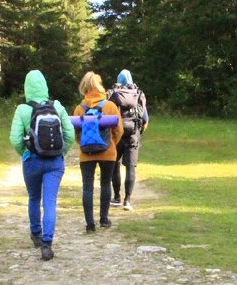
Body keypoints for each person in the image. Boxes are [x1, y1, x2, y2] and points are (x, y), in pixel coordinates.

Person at [9, 69, 75, 261]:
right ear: (45, 86)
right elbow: (69, 134)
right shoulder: (58, 107)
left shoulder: (22, 110)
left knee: (33, 198)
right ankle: (47, 244)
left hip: (32, 162)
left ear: (26, 88)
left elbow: (14, 139)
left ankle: (35, 234)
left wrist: (26, 153)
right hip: (54, 162)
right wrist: (60, 153)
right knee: (50, 202)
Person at [72, 71, 125, 231]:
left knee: (87, 187)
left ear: (84, 88)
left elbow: (75, 133)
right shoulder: (110, 106)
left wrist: (83, 143)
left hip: (86, 154)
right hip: (108, 152)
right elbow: (119, 130)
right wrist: (111, 143)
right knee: (105, 184)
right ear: (100, 87)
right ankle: (104, 219)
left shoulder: (79, 109)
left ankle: (90, 224)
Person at [109, 69, 149, 210]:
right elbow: (145, 119)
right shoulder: (138, 94)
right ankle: (127, 201)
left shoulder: (113, 94)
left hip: (116, 134)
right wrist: (138, 133)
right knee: (130, 167)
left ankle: (116, 197)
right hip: (133, 134)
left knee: (114, 165)